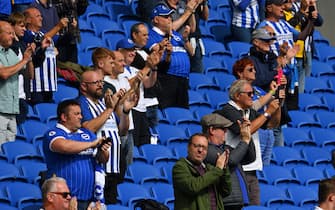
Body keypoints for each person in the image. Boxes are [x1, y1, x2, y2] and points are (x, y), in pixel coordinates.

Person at [214, 79, 280, 205]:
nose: (253, 97)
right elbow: (246, 131)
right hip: (236, 169)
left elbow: (272, 124)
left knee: (254, 206)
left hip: (251, 168)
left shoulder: (250, 112)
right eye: (249, 94)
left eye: (253, 93)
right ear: (237, 96)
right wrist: (267, 113)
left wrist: (277, 107)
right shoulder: (228, 110)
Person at [78, 70, 137, 204]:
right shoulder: (82, 104)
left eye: (101, 82)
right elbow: (89, 128)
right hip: (97, 170)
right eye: (95, 83)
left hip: (113, 168)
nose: (100, 85)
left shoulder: (103, 105)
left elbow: (122, 131)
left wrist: (126, 111)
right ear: (83, 86)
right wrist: (110, 109)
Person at [43, 99, 111, 210]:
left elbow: (102, 159)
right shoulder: (54, 133)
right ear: (64, 117)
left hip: (89, 200)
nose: (80, 117)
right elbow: (65, 147)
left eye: (81, 114)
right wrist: (91, 144)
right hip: (64, 199)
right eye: (76, 114)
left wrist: (103, 151)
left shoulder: (87, 134)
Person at [232, 57, 284, 165]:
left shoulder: (258, 90)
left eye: (254, 69)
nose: (254, 71)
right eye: (250, 70)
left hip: (267, 130)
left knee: (264, 167)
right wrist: (272, 92)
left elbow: (274, 105)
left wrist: (280, 90)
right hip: (254, 130)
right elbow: (253, 106)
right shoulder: (237, 90)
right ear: (240, 73)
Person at [201, 113, 255, 210]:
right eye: (223, 129)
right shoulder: (206, 150)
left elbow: (250, 157)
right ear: (212, 130)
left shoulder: (226, 148)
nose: (226, 132)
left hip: (237, 201)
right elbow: (231, 161)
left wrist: (248, 135)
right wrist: (244, 140)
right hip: (225, 203)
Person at [146, 4, 193, 109]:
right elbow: (155, 50)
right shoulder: (151, 34)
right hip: (167, 78)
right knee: (168, 109)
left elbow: (191, 52)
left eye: (170, 16)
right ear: (156, 19)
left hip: (183, 79)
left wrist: (185, 39)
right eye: (166, 17)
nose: (169, 19)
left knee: (183, 111)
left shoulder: (176, 35)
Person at [173, 133, 232, 210]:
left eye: (204, 148)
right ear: (188, 147)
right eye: (196, 146)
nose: (200, 150)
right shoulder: (180, 167)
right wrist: (217, 170)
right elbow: (192, 187)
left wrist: (224, 168)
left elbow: (226, 191)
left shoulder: (209, 169)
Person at [23, 7, 67, 104]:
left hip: (49, 85)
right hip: (36, 86)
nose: (41, 18)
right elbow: (40, 40)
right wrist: (58, 26)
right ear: (28, 20)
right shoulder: (26, 35)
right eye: (38, 16)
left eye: (41, 16)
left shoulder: (45, 34)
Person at [0, 20, 33, 146]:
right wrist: (24, 60)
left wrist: (29, 59)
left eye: (13, 33)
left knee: (9, 149)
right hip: (1, 110)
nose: (12, 37)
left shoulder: (12, 53)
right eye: (9, 33)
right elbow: (4, 74)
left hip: (12, 110)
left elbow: (29, 76)